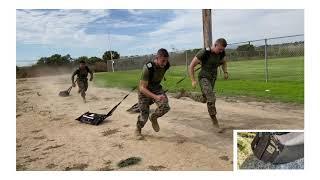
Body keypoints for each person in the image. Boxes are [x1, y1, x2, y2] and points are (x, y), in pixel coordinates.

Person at [189, 38, 229, 128]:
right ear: (215, 45)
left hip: (212, 78)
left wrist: (225, 72)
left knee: (204, 99)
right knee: (211, 97)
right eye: (219, 49)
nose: (221, 51)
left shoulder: (221, 53)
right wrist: (193, 80)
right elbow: (191, 66)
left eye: (222, 50)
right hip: (204, 77)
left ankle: (186, 94)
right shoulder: (204, 52)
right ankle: (214, 119)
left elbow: (224, 62)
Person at [135, 48, 171, 139]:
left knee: (165, 107)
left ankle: (154, 117)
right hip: (144, 90)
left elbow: (160, 73)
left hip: (156, 88)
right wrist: (155, 97)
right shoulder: (148, 68)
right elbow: (142, 88)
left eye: (166, 61)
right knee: (144, 116)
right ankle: (138, 129)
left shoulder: (166, 65)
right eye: (163, 61)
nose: (165, 63)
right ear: (157, 58)